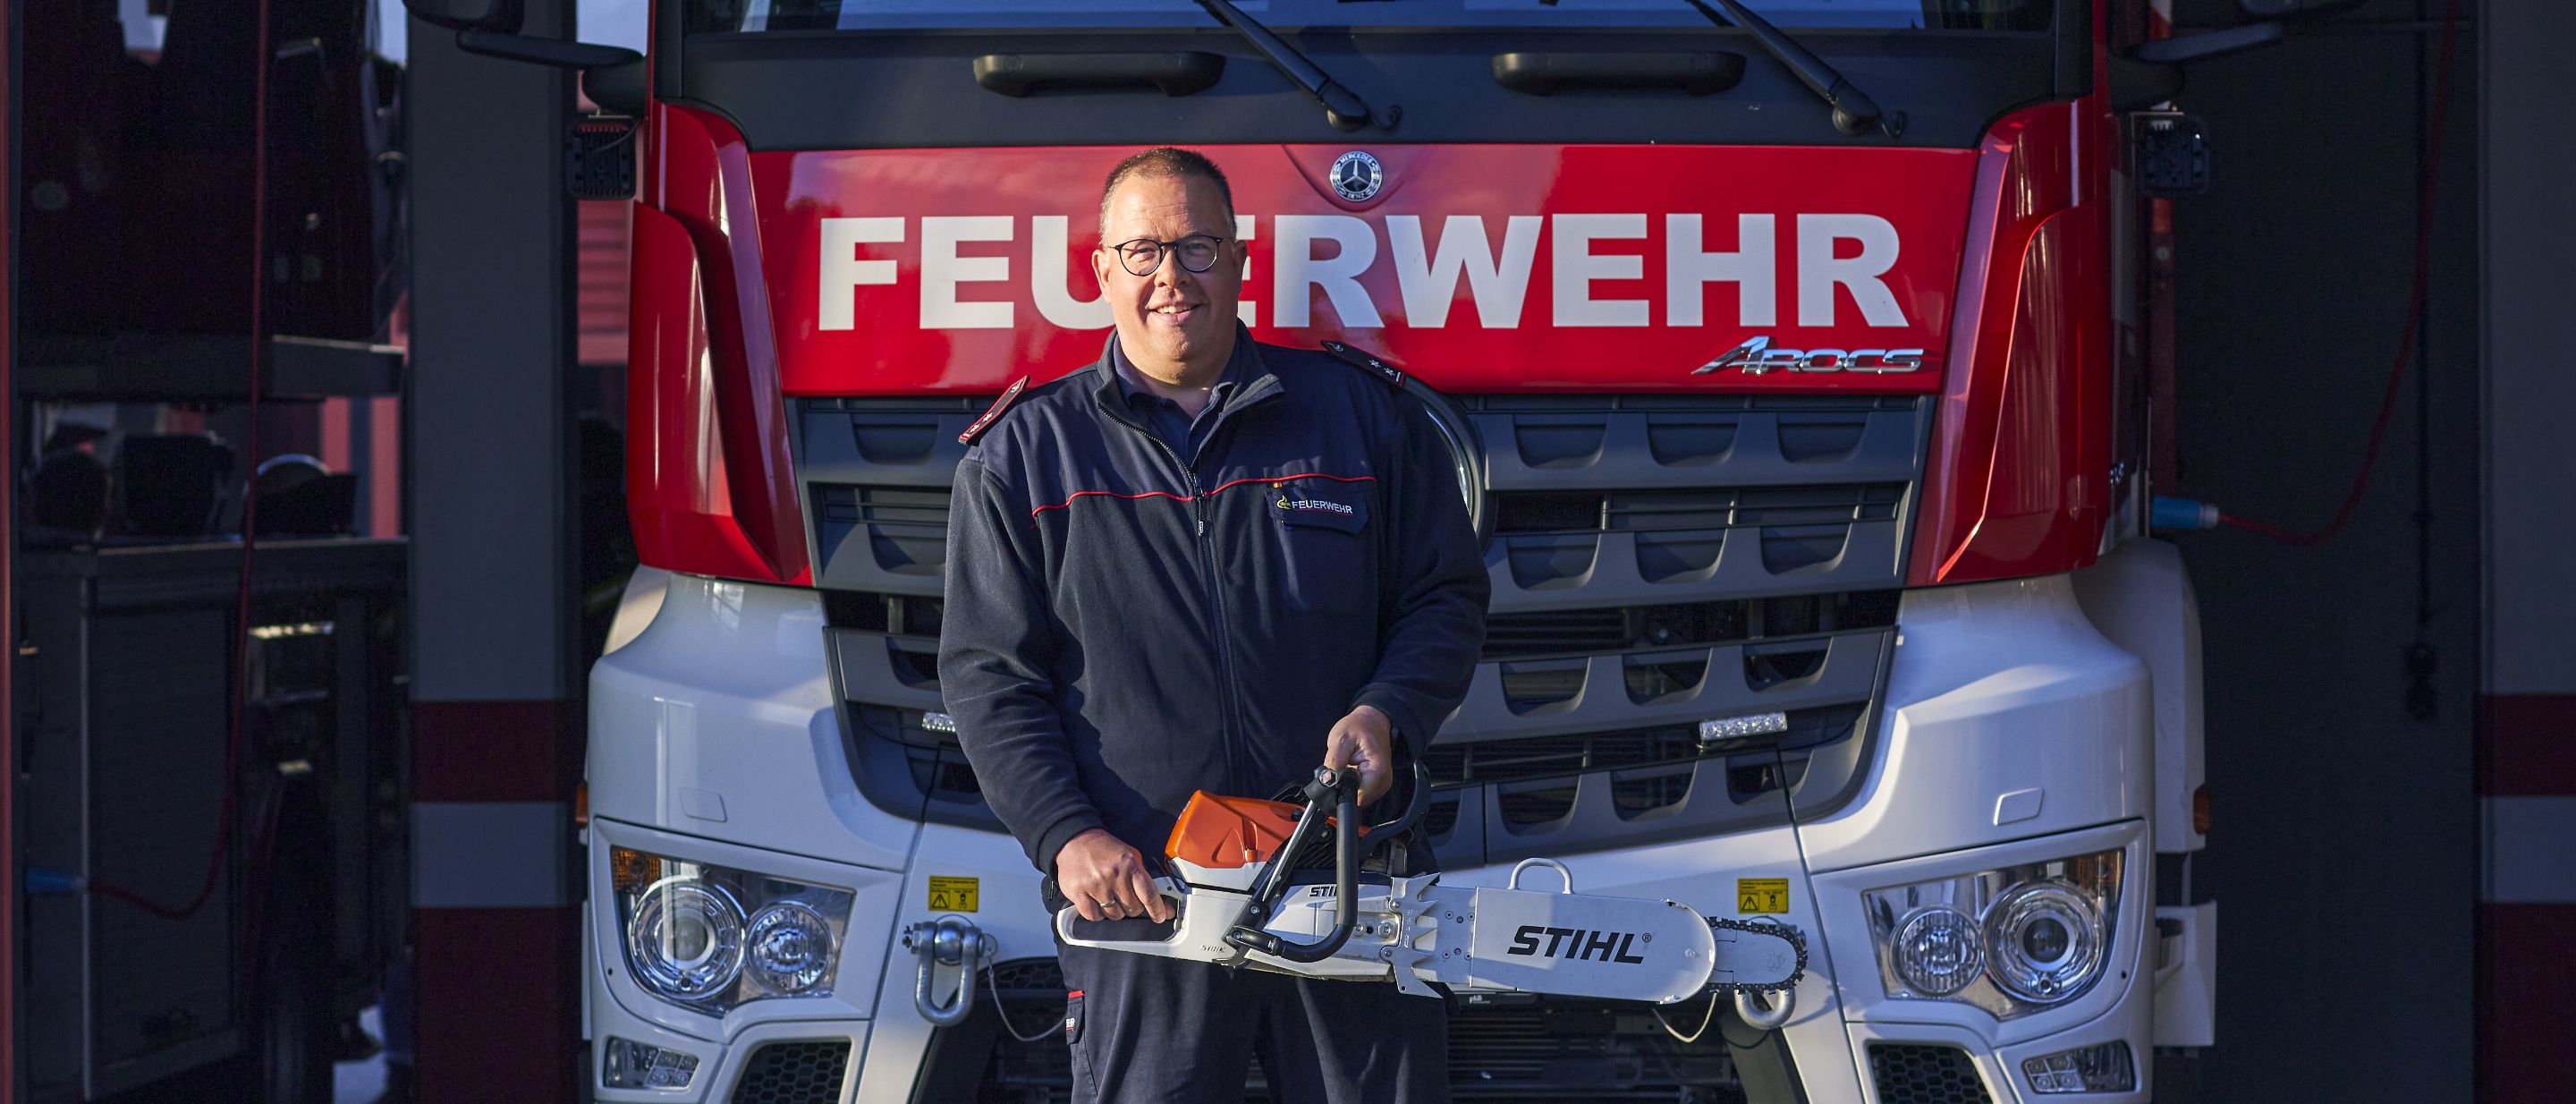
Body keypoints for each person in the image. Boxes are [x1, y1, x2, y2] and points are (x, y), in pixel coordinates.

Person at [938, 147, 1488, 1104]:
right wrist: (1066, 835)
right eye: (1143, 250)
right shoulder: (1023, 459)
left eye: (1197, 246)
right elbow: (992, 681)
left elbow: (1443, 597)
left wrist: (1388, 713)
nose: (1171, 277)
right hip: (1146, 897)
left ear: (1242, 260)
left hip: (1344, 879)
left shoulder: (1359, 419)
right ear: (1101, 269)